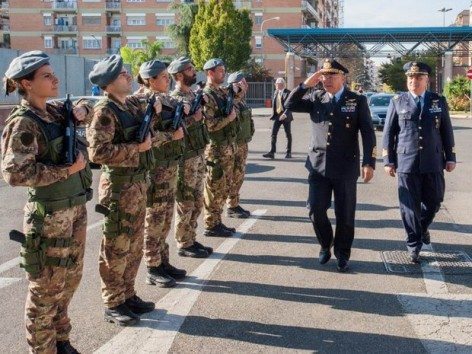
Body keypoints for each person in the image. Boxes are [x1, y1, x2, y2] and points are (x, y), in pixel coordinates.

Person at [1, 50, 93, 354]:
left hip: (74, 208)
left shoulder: (53, 112)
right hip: (49, 216)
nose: (55, 79)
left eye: (53, 73)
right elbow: (15, 173)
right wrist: (66, 170)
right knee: (45, 290)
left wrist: (80, 109)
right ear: (26, 84)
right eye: (46, 76)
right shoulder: (24, 124)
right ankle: (43, 349)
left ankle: (61, 340)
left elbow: (88, 111)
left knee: (68, 281)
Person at [285, 59, 376, 272]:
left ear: (343, 77)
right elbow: (289, 104)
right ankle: (326, 243)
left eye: (332, 75)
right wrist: (306, 84)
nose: (326, 79)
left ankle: (342, 254)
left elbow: (368, 133)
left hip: (345, 167)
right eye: (323, 75)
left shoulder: (357, 100)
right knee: (315, 210)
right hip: (318, 166)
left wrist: (369, 163)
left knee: (345, 215)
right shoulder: (316, 97)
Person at [87, 55, 156, 326]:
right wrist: (135, 149)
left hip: (137, 185)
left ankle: (128, 294)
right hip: (118, 188)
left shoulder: (128, 106)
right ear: (108, 84)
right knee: (116, 247)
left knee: (135, 244)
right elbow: (97, 152)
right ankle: (112, 302)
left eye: (126, 72)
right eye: (122, 74)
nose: (128, 76)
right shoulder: (105, 111)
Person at [382, 61, 456, 262]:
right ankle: (413, 244)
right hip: (406, 161)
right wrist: (388, 160)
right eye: (410, 78)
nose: (414, 81)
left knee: (434, 201)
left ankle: (422, 227)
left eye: (418, 78)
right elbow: (389, 133)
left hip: (433, 160)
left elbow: (446, 131)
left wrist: (451, 157)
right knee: (408, 205)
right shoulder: (398, 101)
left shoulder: (438, 100)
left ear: (427, 80)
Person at [136, 60, 190, 287]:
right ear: (150, 80)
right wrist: (170, 137)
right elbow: (145, 137)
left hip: (169, 167)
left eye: (168, 76)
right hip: (155, 170)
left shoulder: (165, 98)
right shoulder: (141, 101)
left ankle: (163, 260)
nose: (168, 80)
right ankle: (152, 266)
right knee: (154, 219)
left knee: (165, 217)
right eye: (164, 77)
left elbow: (179, 105)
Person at [168, 56, 214, 258]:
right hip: (185, 159)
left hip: (197, 155)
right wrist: (192, 119)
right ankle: (183, 243)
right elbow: (172, 130)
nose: (194, 72)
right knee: (185, 202)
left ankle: (191, 238)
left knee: (196, 201)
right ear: (179, 75)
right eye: (189, 70)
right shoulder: (174, 99)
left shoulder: (193, 96)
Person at [201, 58, 245, 237]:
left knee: (223, 187)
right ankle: (210, 224)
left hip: (227, 147)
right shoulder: (207, 95)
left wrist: (238, 89)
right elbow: (209, 125)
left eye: (224, 70)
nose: (223, 73)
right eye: (220, 71)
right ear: (210, 73)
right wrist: (228, 118)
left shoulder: (220, 93)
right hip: (216, 149)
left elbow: (235, 97)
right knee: (214, 187)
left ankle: (217, 221)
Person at [225, 71, 254, 218]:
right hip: (234, 145)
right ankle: (231, 206)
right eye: (243, 82)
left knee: (239, 175)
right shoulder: (231, 100)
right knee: (232, 176)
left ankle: (234, 203)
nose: (246, 85)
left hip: (242, 143)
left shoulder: (241, 100)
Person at [262, 77, 293, 159]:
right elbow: (275, 105)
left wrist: (285, 114)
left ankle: (288, 152)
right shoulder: (276, 92)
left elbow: (290, 106)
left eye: (278, 84)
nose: (276, 85)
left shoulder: (288, 93)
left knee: (288, 134)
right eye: (276, 84)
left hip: (286, 116)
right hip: (277, 116)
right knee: (273, 134)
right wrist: (273, 115)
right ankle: (272, 152)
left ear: (283, 85)